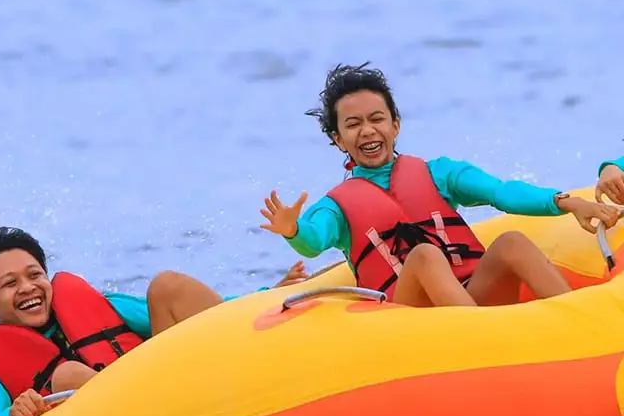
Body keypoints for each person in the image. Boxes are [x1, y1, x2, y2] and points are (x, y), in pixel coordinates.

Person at [260, 63, 618, 309]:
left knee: (511, 243)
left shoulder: (438, 173)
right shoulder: (337, 207)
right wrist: (292, 229)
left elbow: (501, 192)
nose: (367, 130)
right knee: (426, 256)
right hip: (410, 316)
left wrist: (566, 202)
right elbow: (312, 239)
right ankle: (478, 341)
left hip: (471, 292)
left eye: (377, 119)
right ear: (338, 140)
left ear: (395, 125)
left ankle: (576, 321)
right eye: (353, 124)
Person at [0, 227, 307, 416]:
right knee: (66, 374)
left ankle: (253, 373)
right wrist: (11, 414)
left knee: (166, 286)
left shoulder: (96, 309)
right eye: (10, 284)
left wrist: (268, 294)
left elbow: (193, 313)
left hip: (172, 393)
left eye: (34, 275)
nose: (27, 288)